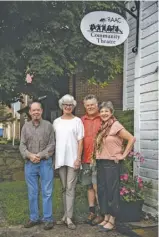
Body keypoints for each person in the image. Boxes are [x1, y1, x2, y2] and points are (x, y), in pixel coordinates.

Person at [94, 101, 135, 232]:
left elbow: (131, 138)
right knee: (103, 191)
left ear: (111, 112)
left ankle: (112, 220)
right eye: (102, 111)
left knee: (112, 192)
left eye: (106, 111)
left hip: (111, 164)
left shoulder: (116, 125)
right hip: (101, 162)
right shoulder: (103, 126)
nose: (104, 113)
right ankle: (106, 217)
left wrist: (123, 155)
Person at [19, 101, 55, 230]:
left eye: (38, 110)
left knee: (47, 191)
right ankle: (34, 218)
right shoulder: (25, 127)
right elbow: (22, 145)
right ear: (30, 112)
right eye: (33, 110)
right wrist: (29, 155)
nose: (36, 112)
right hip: (30, 164)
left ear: (41, 111)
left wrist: (39, 155)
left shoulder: (48, 126)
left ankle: (48, 219)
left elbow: (52, 145)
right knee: (32, 192)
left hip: (45, 163)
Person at [53, 94, 84, 230]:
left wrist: (78, 158)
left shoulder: (77, 121)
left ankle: (69, 218)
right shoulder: (56, 122)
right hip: (60, 159)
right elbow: (53, 141)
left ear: (73, 106)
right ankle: (65, 216)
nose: (68, 107)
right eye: (65, 104)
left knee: (70, 188)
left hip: (73, 160)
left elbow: (80, 141)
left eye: (70, 105)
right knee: (64, 188)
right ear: (62, 106)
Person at [81, 94, 103, 225]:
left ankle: (102, 213)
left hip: (100, 159)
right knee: (89, 186)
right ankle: (92, 211)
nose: (90, 107)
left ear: (97, 104)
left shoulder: (104, 118)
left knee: (98, 187)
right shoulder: (81, 120)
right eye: (88, 105)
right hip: (85, 159)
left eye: (92, 104)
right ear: (84, 106)